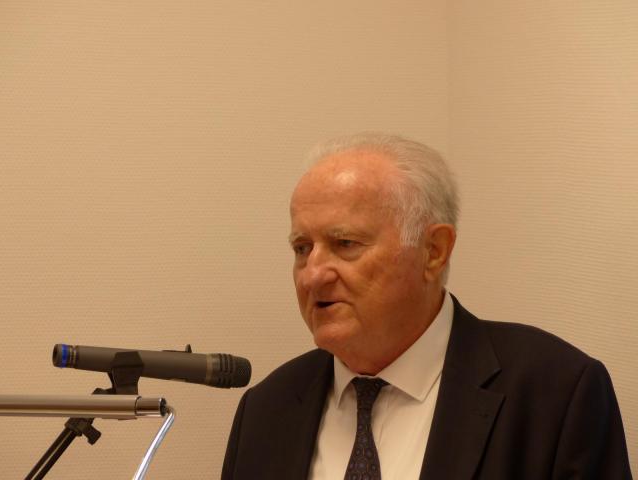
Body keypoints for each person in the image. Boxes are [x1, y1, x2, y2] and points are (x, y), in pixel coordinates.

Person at [222, 133, 632, 479]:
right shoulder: (265, 411)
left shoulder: (556, 393)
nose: (312, 275)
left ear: (434, 251)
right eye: (301, 248)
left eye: (345, 243)